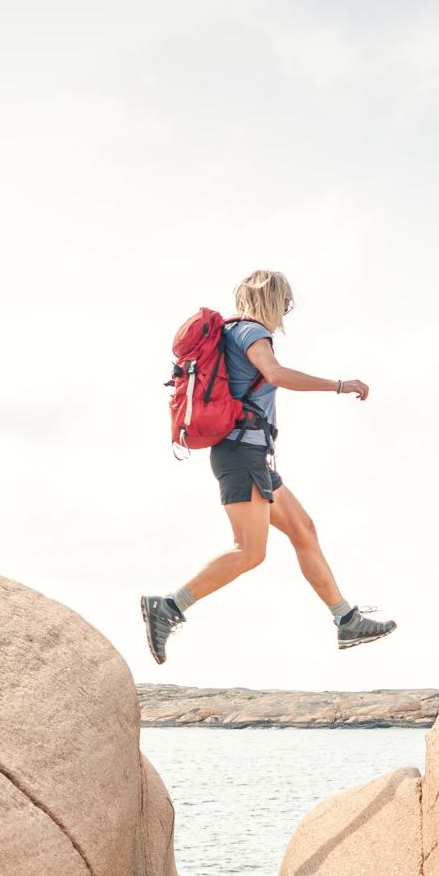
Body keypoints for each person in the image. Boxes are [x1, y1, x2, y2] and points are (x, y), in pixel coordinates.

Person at [141, 269, 396, 664]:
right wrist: (341, 385)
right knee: (249, 551)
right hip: (242, 454)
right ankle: (170, 606)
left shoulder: (230, 332)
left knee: (303, 529)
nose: (286, 312)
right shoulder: (251, 332)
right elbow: (275, 374)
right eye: (286, 304)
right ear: (274, 300)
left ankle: (346, 620)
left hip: (251, 454)